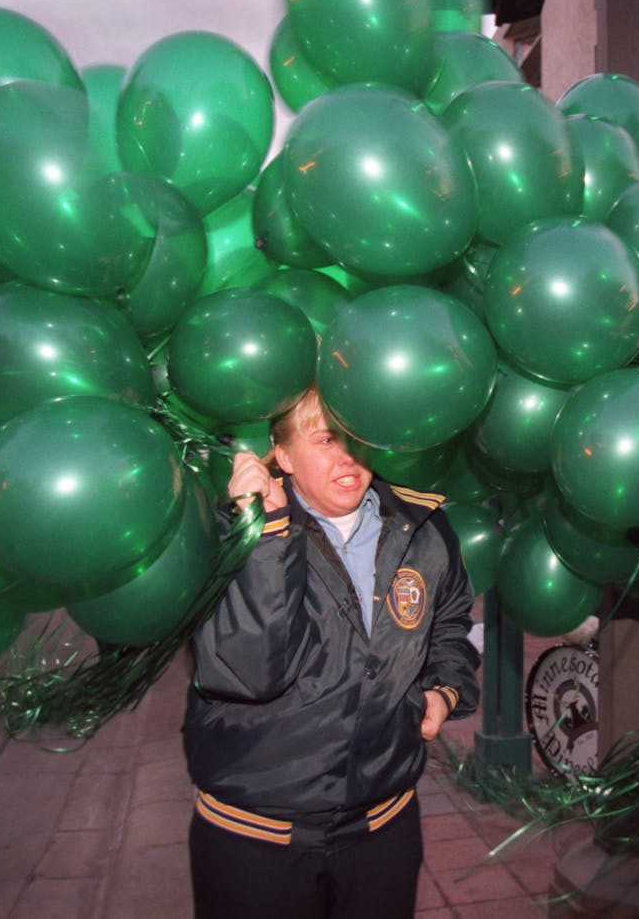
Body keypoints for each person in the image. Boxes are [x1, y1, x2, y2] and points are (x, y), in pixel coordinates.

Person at [181, 387, 481, 919]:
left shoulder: (423, 526)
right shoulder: (228, 535)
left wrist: (444, 689)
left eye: (357, 438)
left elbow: (450, 620)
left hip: (383, 828)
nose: (347, 457)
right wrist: (268, 534)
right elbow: (246, 671)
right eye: (325, 440)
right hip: (256, 840)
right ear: (283, 455)